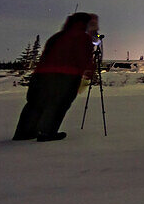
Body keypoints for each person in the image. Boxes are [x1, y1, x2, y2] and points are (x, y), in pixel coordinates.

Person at [13, 12, 98, 142]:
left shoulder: (57, 36)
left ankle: (25, 132)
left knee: (35, 103)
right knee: (58, 103)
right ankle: (47, 132)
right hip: (66, 76)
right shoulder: (82, 37)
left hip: (41, 74)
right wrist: (90, 71)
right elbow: (84, 57)